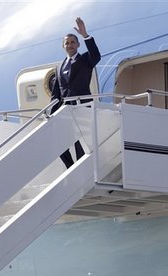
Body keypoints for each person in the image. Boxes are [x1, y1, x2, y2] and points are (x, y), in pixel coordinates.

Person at [51, 17, 101, 169]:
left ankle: (81, 170)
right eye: (67, 43)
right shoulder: (59, 67)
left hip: (82, 108)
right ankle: (71, 167)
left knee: (82, 144)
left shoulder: (86, 60)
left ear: (78, 45)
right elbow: (56, 95)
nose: (70, 45)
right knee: (58, 143)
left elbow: (96, 55)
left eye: (73, 42)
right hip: (66, 111)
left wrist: (86, 35)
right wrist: (51, 114)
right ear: (63, 46)